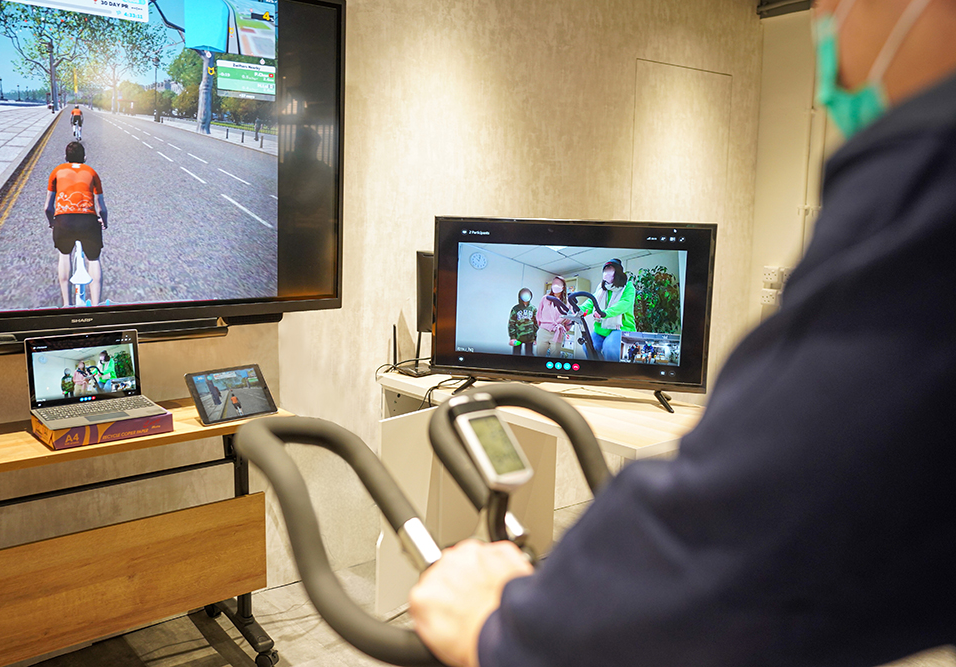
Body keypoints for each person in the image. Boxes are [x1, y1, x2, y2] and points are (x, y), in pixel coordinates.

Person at [409, 1, 956, 666]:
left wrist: (506, 630)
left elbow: (741, 528)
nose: (827, 21)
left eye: (835, 2)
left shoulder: (926, 182)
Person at [44, 141, 108, 307]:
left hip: (64, 221)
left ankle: (67, 304)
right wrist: (104, 222)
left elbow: (47, 207)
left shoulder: (57, 172)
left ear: (66, 157)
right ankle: (96, 306)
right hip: (88, 221)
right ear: (84, 158)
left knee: (64, 255)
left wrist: (52, 223)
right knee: (94, 260)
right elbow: (101, 207)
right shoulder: (92, 172)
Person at [577, 258, 635, 362]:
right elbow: (592, 301)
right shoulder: (601, 287)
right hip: (602, 328)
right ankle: (598, 370)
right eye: (605, 270)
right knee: (588, 346)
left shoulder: (628, 287)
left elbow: (624, 304)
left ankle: (612, 373)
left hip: (621, 328)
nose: (606, 273)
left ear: (617, 272)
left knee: (610, 347)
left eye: (610, 269)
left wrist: (604, 313)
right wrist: (579, 310)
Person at [534, 277, 570, 358]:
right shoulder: (545, 298)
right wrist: (543, 326)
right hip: (544, 330)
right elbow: (538, 314)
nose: (555, 285)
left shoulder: (567, 302)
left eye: (558, 284)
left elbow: (569, 319)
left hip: (558, 332)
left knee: (555, 358)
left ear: (563, 287)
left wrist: (563, 328)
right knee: (539, 356)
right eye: (554, 283)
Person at [507, 288, 538, 356]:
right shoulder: (515, 309)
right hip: (518, 337)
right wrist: (512, 337)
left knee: (529, 354)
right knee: (516, 354)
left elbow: (536, 323)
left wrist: (535, 337)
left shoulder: (533, 309)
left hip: (530, 337)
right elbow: (511, 323)